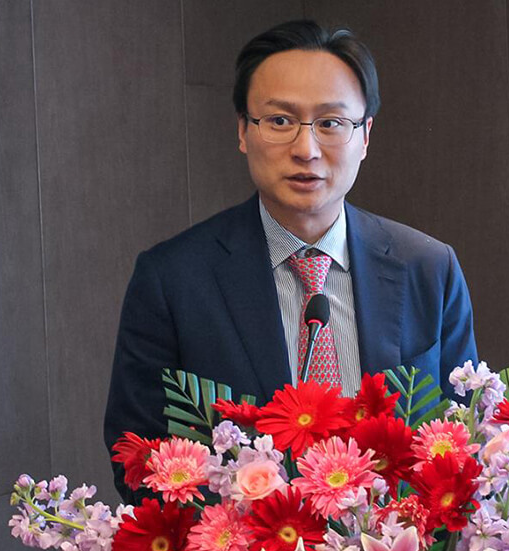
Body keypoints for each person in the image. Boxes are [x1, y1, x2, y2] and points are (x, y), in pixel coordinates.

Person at [104, 20, 478, 501]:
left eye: (331, 123)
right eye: (280, 121)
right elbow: (137, 458)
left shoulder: (428, 268)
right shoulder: (173, 280)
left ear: (365, 135)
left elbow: (465, 435)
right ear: (243, 131)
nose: (306, 149)